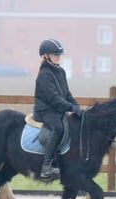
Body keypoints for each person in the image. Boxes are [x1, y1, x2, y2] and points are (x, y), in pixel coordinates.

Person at [33, 38, 84, 179]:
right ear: (45, 55)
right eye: (55, 55)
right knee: (58, 128)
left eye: (59, 55)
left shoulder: (60, 72)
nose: (58, 57)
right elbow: (53, 99)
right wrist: (71, 107)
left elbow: (66, 93)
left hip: (57, 108)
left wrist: (77, 108)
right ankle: (46, 166)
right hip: (45, 110)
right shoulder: (44, 75)